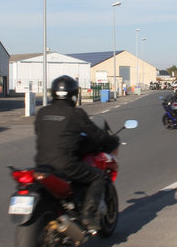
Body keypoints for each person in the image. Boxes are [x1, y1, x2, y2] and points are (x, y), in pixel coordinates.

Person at [34, 75, 120, 232]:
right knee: (100, 177)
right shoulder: (76, 114)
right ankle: (89, 215)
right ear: (73, 94)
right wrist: (112, 139)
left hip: (42, 165)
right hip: (67, 166)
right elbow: (97, 135)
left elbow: (43, 134)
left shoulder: (42, 113)